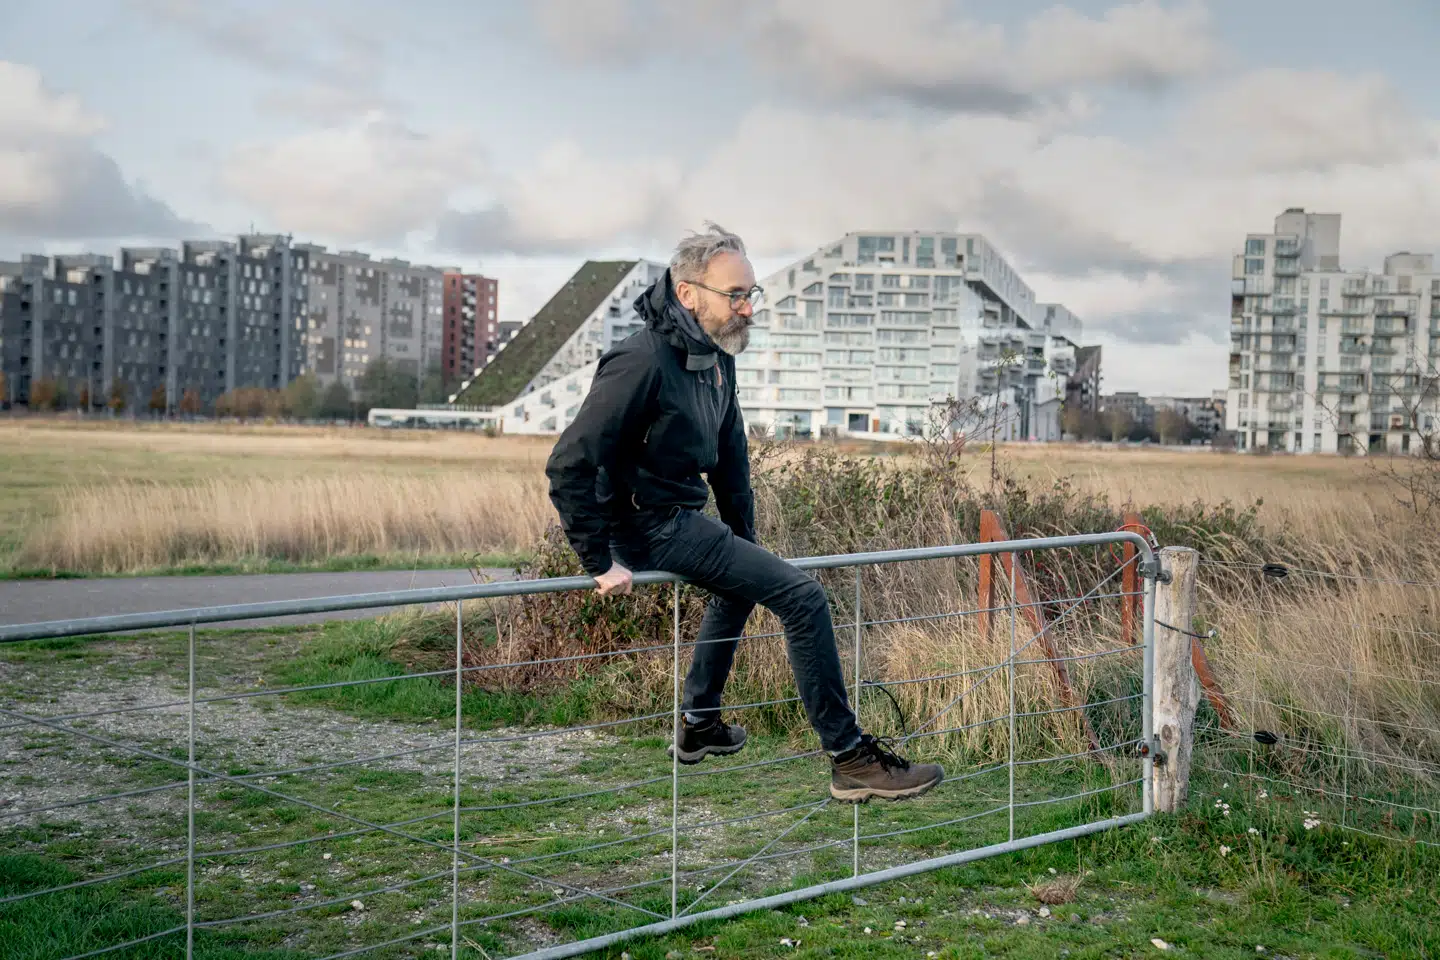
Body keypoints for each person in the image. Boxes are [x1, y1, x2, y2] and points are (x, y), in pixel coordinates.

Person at [545, 223, 943, 803]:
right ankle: (850, 758)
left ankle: (699, 725)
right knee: (803, 597)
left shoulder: (716, 355)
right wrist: (597, 560)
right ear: (688, 294)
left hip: (682, 517)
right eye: (734, 295)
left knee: (744, 586)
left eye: (751, 294)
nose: (747, 308)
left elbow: (731, 459)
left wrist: (747, 546)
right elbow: (569, 463)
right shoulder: (640, 361)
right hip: (644, 526)